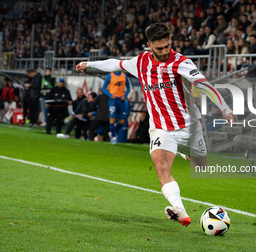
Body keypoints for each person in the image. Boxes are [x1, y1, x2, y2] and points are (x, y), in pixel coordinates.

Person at [76, 22, 234, 227]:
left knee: (201, 166)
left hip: (190, 127)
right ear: (149, 45)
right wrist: (89, 65)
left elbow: (204, 85)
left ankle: (184, 152)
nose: (164, 51)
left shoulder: (182, 63)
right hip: (161, 128)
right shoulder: (141, 61)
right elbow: (116, 64)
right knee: (160, 165)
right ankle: (181, 211)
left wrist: (224, 108)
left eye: (167, 46)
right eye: (159, 48)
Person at [101, 72, 131, 144]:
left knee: (122, 121)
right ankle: (114, 137)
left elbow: (129, 88)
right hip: (113, 100)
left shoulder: (124, 76)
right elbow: (103, 88)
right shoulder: (110, 76)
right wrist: (110, 95)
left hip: (121, 100)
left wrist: (125, 95)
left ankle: (112, 132)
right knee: (112, 118)